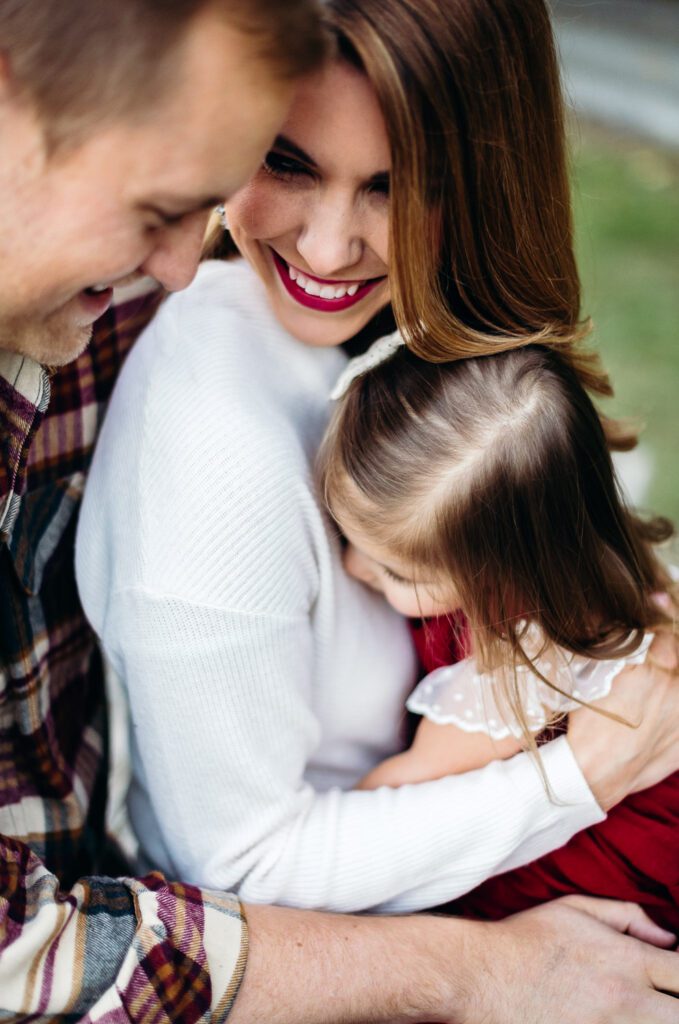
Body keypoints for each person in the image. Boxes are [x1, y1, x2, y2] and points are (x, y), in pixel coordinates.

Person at [74, 1, 679, 1018]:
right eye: (288, 162)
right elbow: (241, 869)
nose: (327, 243)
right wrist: (581, 773)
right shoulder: (211, 436)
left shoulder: (426, 333)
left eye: (398, 185)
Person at [319, 338, 679, 931]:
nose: (353, 568)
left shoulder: (513, 663)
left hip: (595, 876)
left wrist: (326, 816)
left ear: (499, 579)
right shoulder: (588, 558)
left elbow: (395, 794)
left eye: (396, 572)